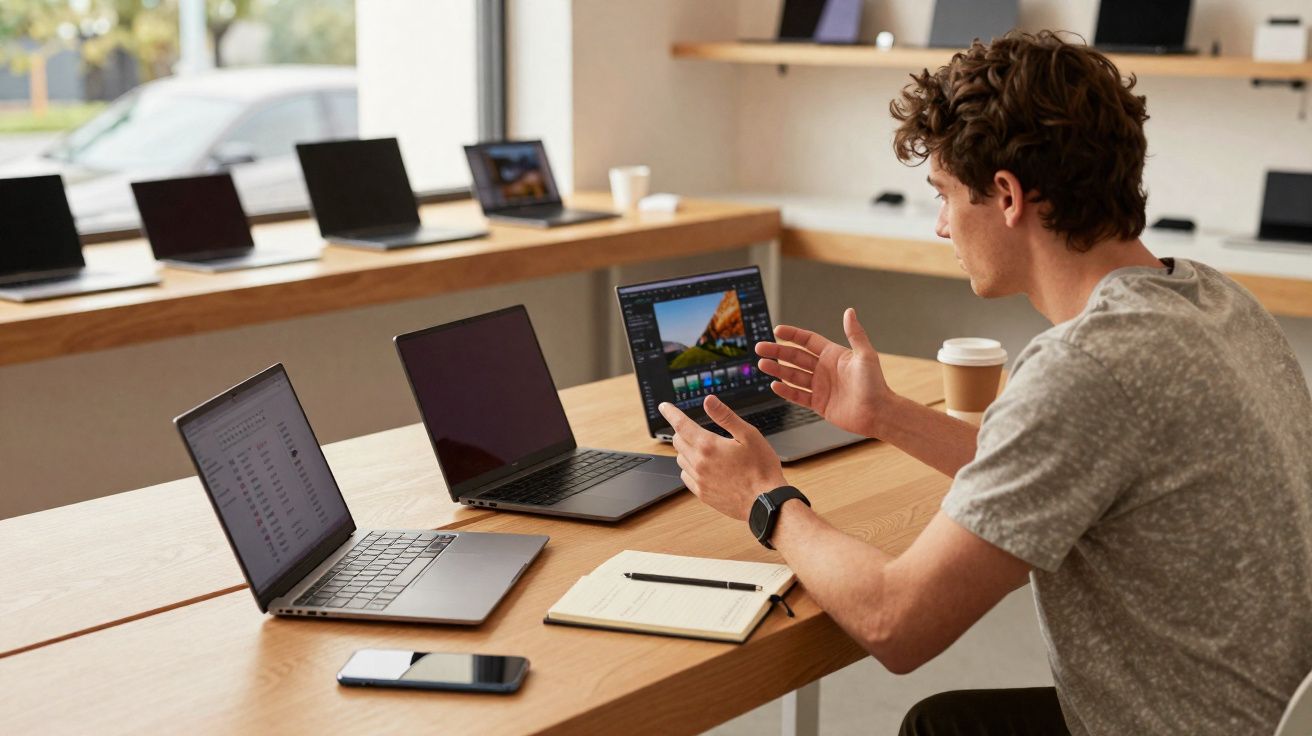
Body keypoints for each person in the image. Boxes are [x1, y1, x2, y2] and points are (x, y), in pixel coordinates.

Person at [658, 31, 1312, 736]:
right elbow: (1068, 465)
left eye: (943, 194)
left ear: (1005, 195)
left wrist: (764, 497)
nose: (941, 226)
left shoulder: (1089, 367)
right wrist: (886, 414)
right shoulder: (1216, 301)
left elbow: (894, 620)